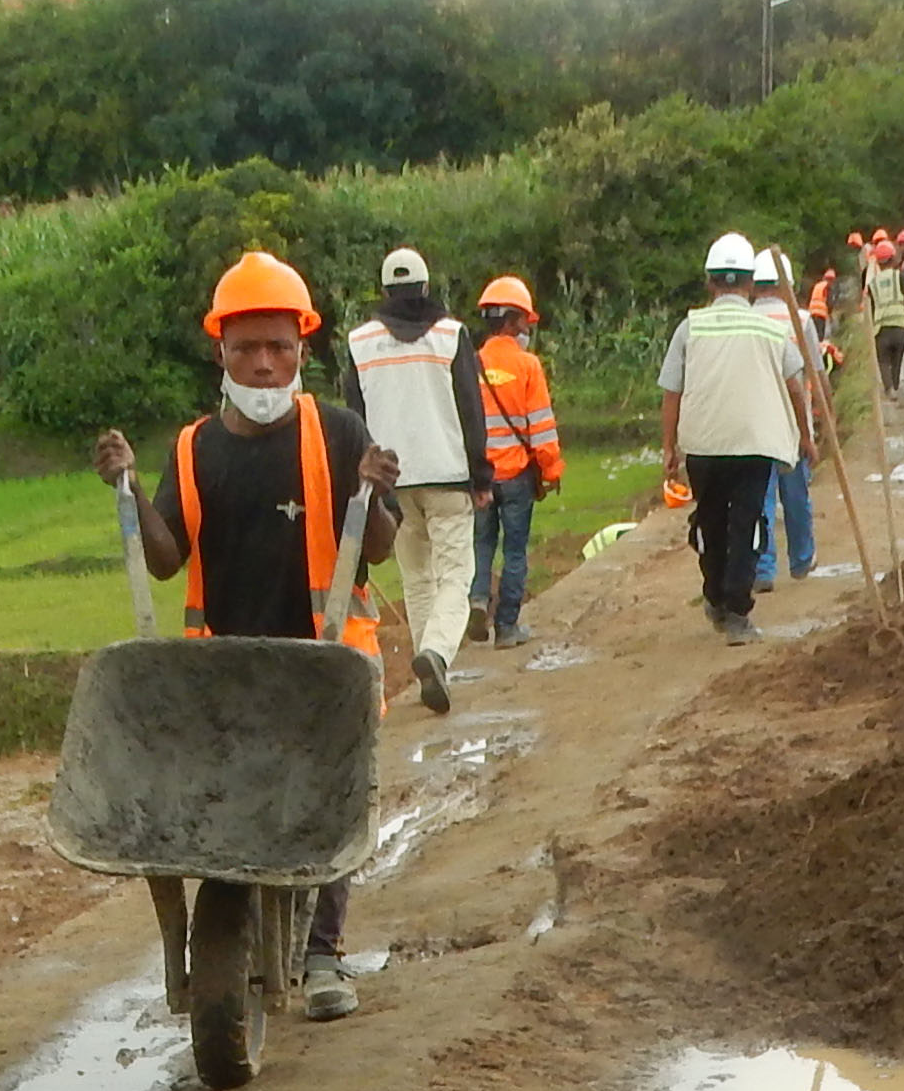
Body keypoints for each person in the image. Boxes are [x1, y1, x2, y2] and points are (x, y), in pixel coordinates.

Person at [91, 252, 399, 1017]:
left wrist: (375, 494)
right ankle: (245, 938)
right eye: (247, 349)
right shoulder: (197, 449)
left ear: (302, 350)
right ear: (220, 352)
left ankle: (324, 955)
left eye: (279, 349)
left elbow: (381, 547)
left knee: (328, 811)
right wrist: (130, 492)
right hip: (225, 671)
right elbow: (167, 562)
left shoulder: (336, 431)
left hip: (322, 665)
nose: (264, 366)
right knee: (234, 812)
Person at [338, 243, 483, 717]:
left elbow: (354, 418)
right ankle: (437, 653)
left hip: (391, 482)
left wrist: (362, 479)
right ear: (425, 286)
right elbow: (470, 408)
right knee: (457, 575)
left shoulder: (359, 342)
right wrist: (481, 474)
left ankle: (430, 670)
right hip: (448, 475)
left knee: (416, 577)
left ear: (383, 290)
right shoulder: (450, 335)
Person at [658, 232, 801, 648]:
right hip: (754, 444)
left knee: (711, 521)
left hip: (704, 444)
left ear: (709, 282)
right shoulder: (771, 331)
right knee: (746, 525)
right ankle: (736, 610)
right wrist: (805, 435)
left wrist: (669, 448)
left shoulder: (691, 327)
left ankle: (715, 597)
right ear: (750, 284)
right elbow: (796, 385)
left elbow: (672, 392)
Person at [465, 272, 564, 648]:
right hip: (517, 477)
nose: (527, 327)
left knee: (482, 544)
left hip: (481, 477)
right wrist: (551, 469)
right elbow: (540, 426)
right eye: (524, 320)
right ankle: (506, 627)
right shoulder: (527, 366)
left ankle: (477, 598)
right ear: (511, 321)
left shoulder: (470, 365)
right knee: (515, 550)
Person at [748, 247, 821, 597]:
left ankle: (763, 567)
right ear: (786, 285)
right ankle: (802, 559)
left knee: (760, 498)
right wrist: (826, 415)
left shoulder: (745, 321)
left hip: (759, 424)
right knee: (796, 496)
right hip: (794, 426)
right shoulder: (801, 320)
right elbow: (817, 374)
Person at [867, 231, 904, 402]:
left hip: (882, 329)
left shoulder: (873, 284)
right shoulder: (899, 277)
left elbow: (872, 310)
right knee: (897, 359)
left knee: (883, 360)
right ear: (893, 259)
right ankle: (895, 386)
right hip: (900, 325)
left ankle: (889, 389)